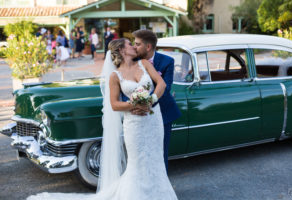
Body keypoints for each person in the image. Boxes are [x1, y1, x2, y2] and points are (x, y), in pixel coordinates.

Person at [27, 38, 178, 200]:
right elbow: (114, 104)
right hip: (134, 125)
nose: (134, 46)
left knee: (156, 158)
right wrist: (133, 105)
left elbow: (161, 84)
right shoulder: (115, 76)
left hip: (153, 121)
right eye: (129, 44)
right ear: (121, 50)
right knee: (137, 163)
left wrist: (150, 100)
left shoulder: (144, 63)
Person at [128, 29, 181, 172]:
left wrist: (145, 103)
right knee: (141, 152)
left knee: (161, 151)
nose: (134, 47)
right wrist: (133, 106)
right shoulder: (131, 61)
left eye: (137, 44)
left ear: (148, 47)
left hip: (163, 113)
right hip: (137, 115)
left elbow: (166, 88)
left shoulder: (167, 61)